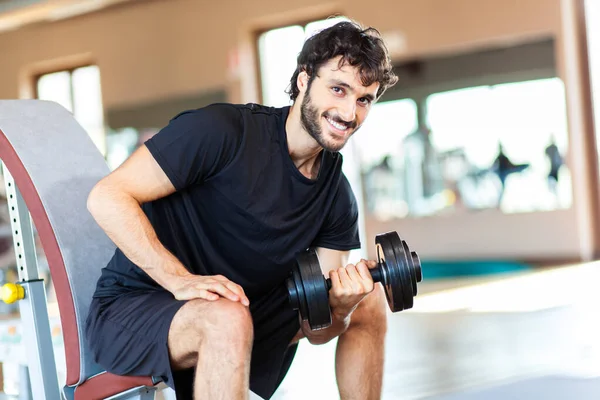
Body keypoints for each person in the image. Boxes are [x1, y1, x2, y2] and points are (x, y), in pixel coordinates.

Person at [84, 19, 398, 400]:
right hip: (137, 307)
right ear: (303, 81)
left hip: (244, 311)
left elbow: (316, 325)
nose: (349, 112)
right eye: (338, 89)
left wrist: (341, 307)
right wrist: (180, 280)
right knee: (227, 317)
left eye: (364, 99)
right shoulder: (221, 132)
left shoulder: (337, 197)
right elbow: (107, 196)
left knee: (370, 299)